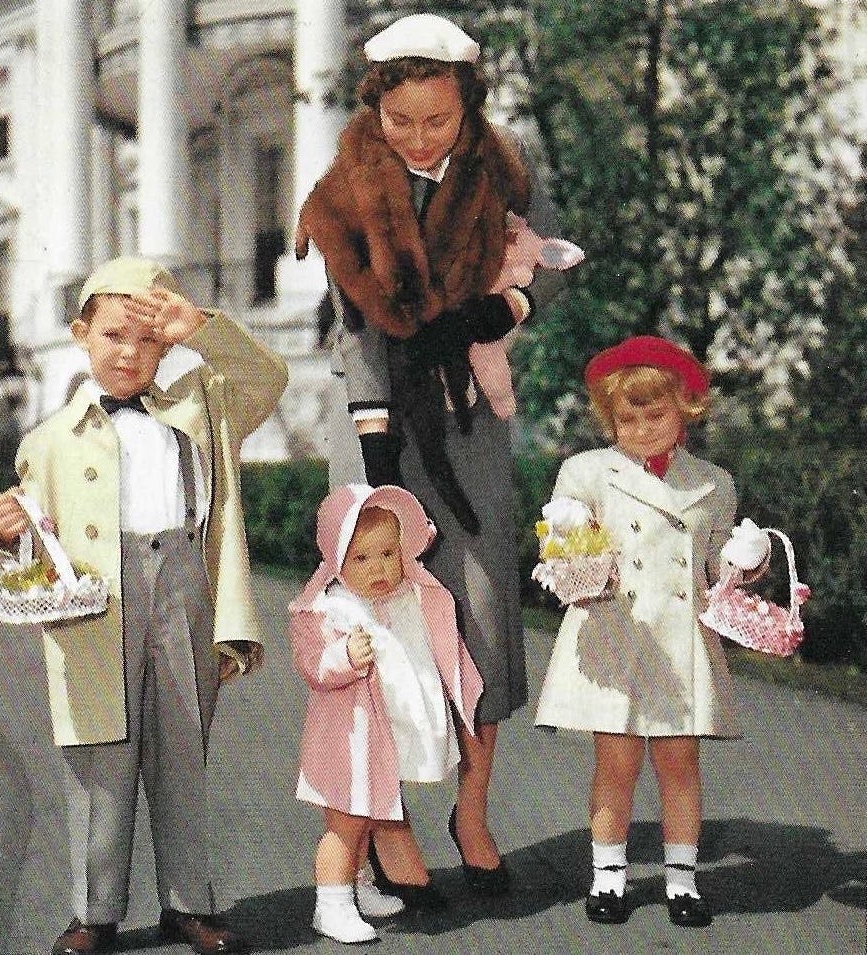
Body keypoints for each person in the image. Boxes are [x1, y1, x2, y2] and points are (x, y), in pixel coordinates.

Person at [295, 12, 572, 897]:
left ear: (468, 109)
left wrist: (508, 308)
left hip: (466, 416)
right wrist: (377, 464)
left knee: (480, 613)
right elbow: (355, 331)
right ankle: (389, 826)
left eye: (437, 121)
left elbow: (556, 260)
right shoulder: (346, 187)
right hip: (373, 414)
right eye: (400, 121)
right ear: (375, 108)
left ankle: (472, 809)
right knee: (378, 620)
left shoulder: (506, 168)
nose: (418, 139)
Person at [0, 256, 288, 955]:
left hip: (183, 582)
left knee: (183, 748)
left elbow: (267, 376)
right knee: (99, 756)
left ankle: (189, 903)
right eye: (115, 335)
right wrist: (10, 532)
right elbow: (38, 547)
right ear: (81, 335)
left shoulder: (203, 403)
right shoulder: (48, 439)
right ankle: (93, 912)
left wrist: (200, 328)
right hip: (97, 602)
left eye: (150, 338)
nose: (131, 353)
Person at [534, 335, 767, 928]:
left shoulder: (712, 482)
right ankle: (607, 876)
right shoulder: (586, 472)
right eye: (627, 419)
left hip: (680, 641)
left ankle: (682, 880)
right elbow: (565, 539)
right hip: (616, 632)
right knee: (616, 762)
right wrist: (567, 538)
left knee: (679, 763)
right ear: (609, 419)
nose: (641, 430)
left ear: (686, 409)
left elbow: (716, 569)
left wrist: (747, 559)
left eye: (655, 415)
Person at [289, 483, 483, 942]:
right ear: (337, 559)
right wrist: (345, 656)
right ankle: (330, 904)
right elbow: (313, 664)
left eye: (388, 554)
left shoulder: (404, 598)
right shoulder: (330, 609)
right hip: (347, 739)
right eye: (361, 558)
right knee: (345, 823)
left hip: (379, 738)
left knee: (368, 814)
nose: (378, 568)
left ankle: (359, 886)